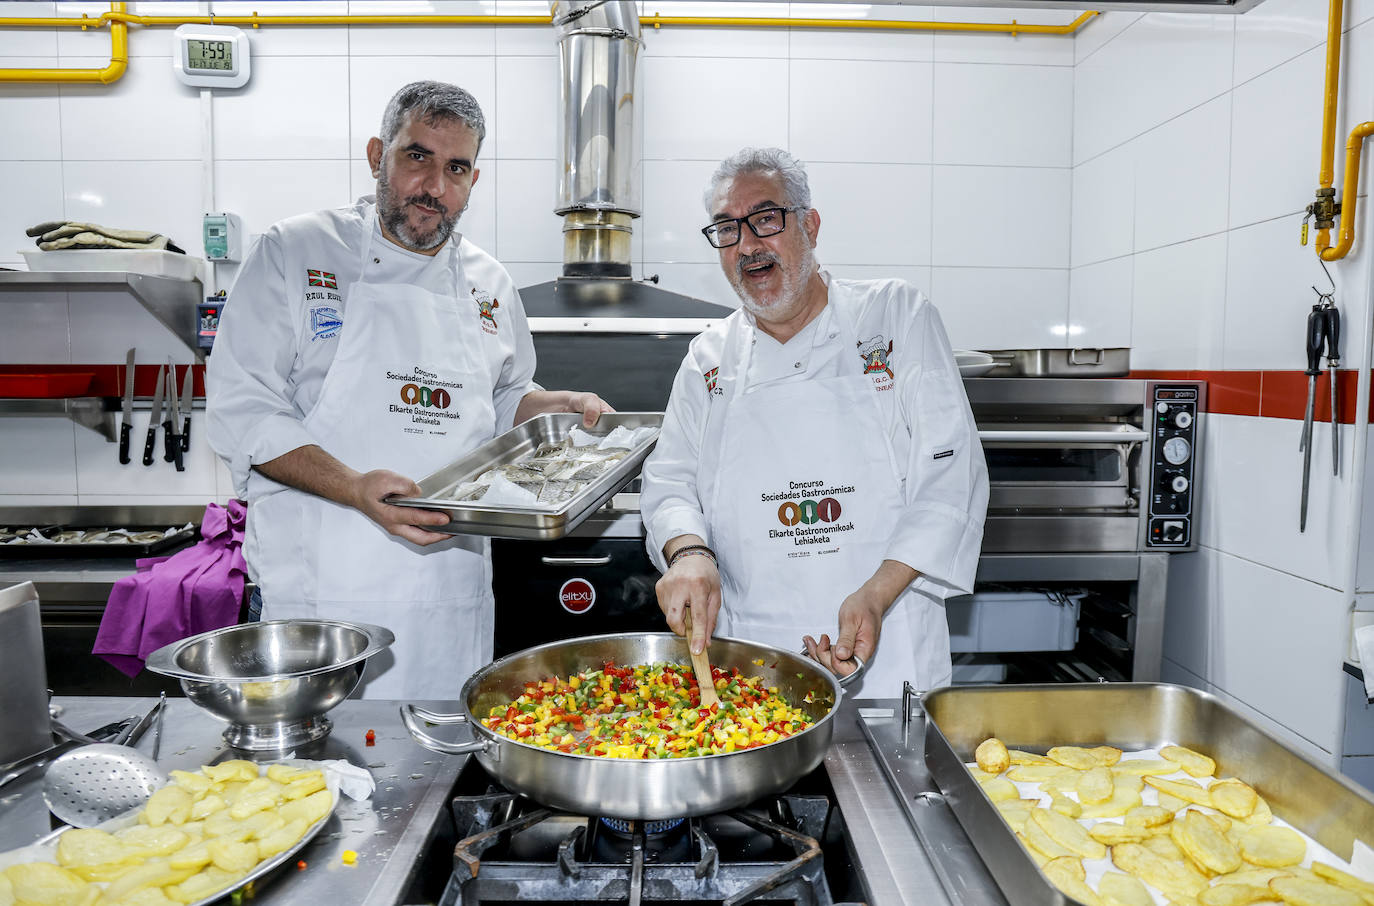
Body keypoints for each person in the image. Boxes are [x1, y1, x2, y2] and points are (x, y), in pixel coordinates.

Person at [206, 81, 610, 699]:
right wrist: (355, 487)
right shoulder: (296, 251)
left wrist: (547, 407)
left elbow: (500, 402)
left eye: (457, 168)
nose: (435, 188)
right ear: (377, 155)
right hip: (322, 601)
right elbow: (244, 411)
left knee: (438, 774)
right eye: (416, 157)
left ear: (474, 179)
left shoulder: (488, 283)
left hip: (449, 596)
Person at [639, 147, 988, 696]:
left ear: (811, 225)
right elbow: (669, 481)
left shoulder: (894, 317)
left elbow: (951, 475)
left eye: (766, 219)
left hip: (889, 651)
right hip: (752, 661)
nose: (748, 244)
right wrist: (688, 553)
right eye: (728, 230)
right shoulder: (710, 357)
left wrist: (876, 593)